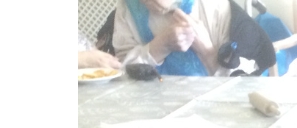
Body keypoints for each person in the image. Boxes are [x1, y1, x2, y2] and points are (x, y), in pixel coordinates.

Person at [111, 0, 274, 77]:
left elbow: (244, 88)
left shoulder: (214, 6)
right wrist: (159, 48)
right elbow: (122, 77)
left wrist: (207, 51)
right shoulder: (127, 8)